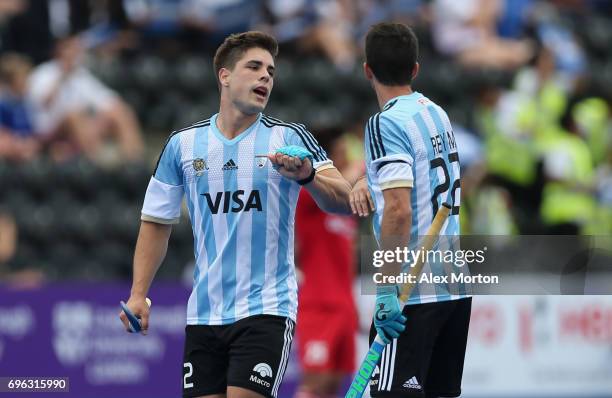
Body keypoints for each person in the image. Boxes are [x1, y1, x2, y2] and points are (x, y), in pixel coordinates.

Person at [119, 31, 352, 398]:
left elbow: (343, 199)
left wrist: (307, 176)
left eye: (271, 72)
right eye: (255, 67)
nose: (265, 78)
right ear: (224, 76)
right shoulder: (183, 145)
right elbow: (155, 222)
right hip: (204, 315)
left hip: (266, 310)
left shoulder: (289, 138)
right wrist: (138, 295)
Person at [350, 22, 472, 397]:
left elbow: (399, 211)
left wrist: (385, 288)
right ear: (415, 69)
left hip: (411, 294)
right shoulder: (436, 113)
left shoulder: (384, 122)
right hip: (455, 287)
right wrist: (363, 183)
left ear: (367, 69)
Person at [294, 133, 361, 398]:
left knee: (333, 386)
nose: (347, 159)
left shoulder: (347, 208)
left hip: (344, 305)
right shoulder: (311, 195)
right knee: (315, 384)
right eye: (342, 152)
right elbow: (350, 178)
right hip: (318, 305)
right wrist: (367, 166)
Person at [27, 35, 144, 164]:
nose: (74, 54)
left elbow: (106, 99)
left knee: (120, 110)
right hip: (49, 128)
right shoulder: (43, 73)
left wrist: (115, 110)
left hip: (81, 126)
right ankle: (96, 163)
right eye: (70, 49)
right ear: (59, 50)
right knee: (74, 115)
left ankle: (134, 161)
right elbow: (40, 104)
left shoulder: (80, 75)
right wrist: (62, 77)